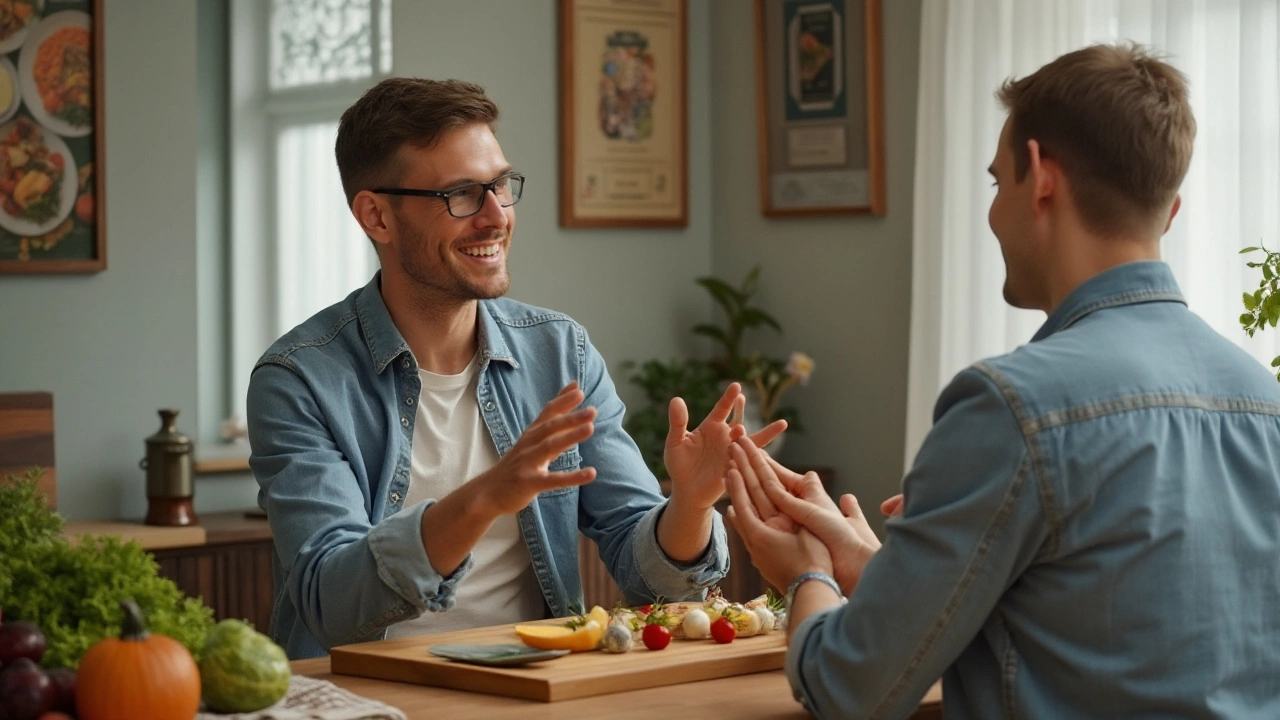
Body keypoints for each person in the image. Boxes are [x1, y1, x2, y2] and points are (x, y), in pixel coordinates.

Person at [726, 43, 1280, 719]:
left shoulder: (1011, 407)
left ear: (1040, 175)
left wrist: (804, 575)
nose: (993, 213)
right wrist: (879, 571)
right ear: (1167, 211)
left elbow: (848, 690)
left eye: (997, 183)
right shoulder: (1266, 401)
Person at [246, 77, 781, 660]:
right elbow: (331, 603)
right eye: (460, 194)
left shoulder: (560, 354)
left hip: (532, 690)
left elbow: (652, 577)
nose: (496, 216)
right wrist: (483, 499)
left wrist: (690, 505)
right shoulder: (298, 379)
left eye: (500, 184)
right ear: (376, 217)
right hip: (362, 697)